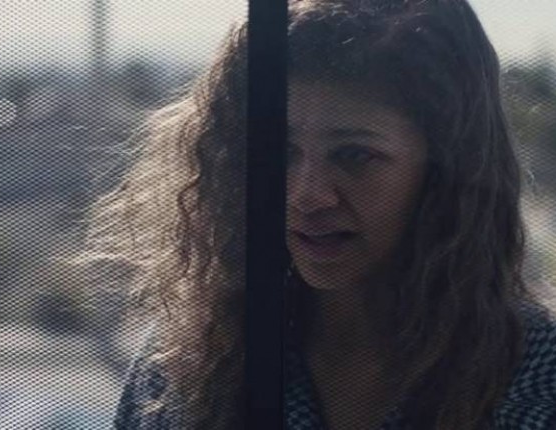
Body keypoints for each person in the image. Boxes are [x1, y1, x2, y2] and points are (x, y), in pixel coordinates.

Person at [75, 0, 556, 428]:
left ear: (444, 170)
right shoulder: (184, 362)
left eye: (354, 156)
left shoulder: (536, 372)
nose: (307, 196)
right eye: (279, 151)